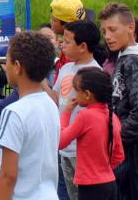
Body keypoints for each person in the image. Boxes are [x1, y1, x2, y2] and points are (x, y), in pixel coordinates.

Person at [99, 3, 138, 200]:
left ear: (131, 28)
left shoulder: (134, 61)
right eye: (104, 31)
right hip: (134, 139)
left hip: (136, 141)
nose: (107, 36)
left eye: (113, 29)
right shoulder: (126, 58)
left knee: (131, 192)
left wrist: (118, 137)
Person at [0, 31, 61, 200]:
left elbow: (8, 176)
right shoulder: (51, 105)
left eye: (6, 61)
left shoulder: (14, 112)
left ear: (17, 66)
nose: (5, 66)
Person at [55, 20, 104, 200]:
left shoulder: (94, 74)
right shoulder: (66, 68)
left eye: (67, 42)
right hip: (63, 146)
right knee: (65, 192)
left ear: (83, 46)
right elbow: (56, 98)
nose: (62, 45)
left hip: (82, 151)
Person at [59, 67, 125, 200]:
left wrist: (66, 113)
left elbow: (60, 142)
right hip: (109, 183)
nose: (74, 95)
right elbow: (119, 155)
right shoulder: (113, 117)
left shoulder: (86, 116)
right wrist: (103, 171)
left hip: (90, 187)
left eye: (76, 91)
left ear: (87, 94)